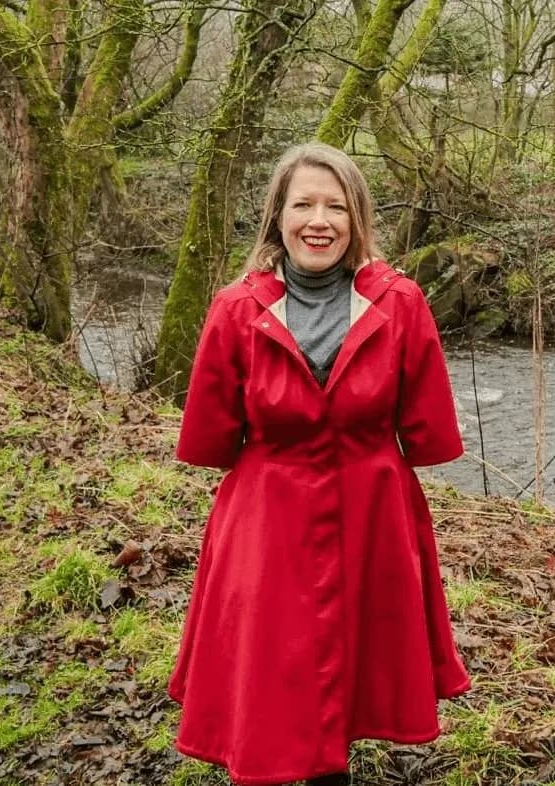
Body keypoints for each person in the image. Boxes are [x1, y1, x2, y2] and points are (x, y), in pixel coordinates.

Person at [167, 142, 471, 785]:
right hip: (267, 514)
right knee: (272, 659)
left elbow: (429, 431)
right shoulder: (234, 308)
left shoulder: (401, 302)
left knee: (358, 660)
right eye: (303, 203)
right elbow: (211, 439)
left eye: (335, 206)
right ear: (278, 216)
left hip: (373, 512)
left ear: (356, 219)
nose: (319, 220)